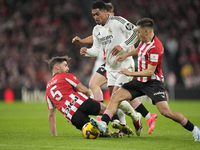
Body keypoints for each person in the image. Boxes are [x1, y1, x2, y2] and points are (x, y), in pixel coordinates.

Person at [89, 18, 200, 141]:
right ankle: (103, 124)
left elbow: (149, 72)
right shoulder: (143, 39)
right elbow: (139, 49)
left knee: (166, 112)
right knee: (115, 96)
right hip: (139, 82)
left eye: (138, 32)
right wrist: (125, 55)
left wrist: (129, 73)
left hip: (153, 83)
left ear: (146, 31)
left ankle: (194, 129)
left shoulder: (156, 48)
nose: (136, 35)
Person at [79, 0, 146, 136]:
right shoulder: (97, 29)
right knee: (117, 99)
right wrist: (86, 52)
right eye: (93, 15)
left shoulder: (118, 22)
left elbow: (135, 33)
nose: (95, 17)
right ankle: (134, 117)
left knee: (116, 96)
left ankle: (105, 122)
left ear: (105, 12)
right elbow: (97, 50)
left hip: (124, 64)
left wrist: (122, 46)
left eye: (97, 14)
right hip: (110, 67)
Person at [45, 55, 124, 138]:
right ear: (57, 67)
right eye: (65, 65)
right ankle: (116, 121)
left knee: (93, 131)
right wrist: (91, 95)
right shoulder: (65, 75)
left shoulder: (47, 89)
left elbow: (51, 114)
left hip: (71, 115)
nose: (67, 68)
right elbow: (83, 89)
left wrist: (54, 134)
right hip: (81, 102)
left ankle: (103, 133)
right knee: (107, 110)